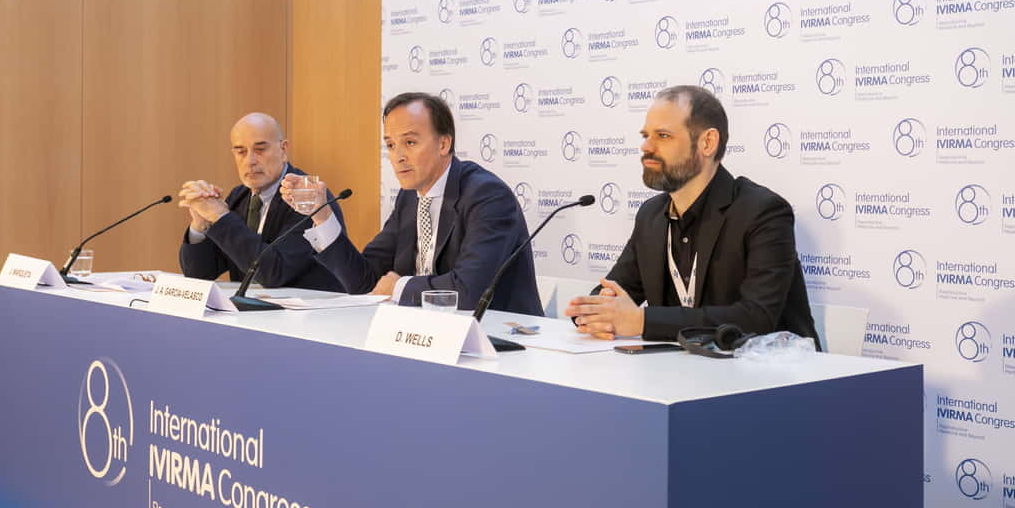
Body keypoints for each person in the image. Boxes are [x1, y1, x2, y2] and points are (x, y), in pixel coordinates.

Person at [565, 85, 820, 347]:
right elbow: (613, 290)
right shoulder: (651, 215)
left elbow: (756, 317)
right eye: (645, 135)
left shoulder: (763, 212)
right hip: (682, 366)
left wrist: (642, 321)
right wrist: (595, 312)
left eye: (663, 136)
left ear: (707, 143)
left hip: (771, 367)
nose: (646, 146)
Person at [282, 92, 542, 315]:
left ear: (443, 144)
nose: (398, 157)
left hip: (501, 340)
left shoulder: (487, 196)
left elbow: (468, 292)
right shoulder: (409, 198)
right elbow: (365, 282)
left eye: (410, 142)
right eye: (390, 145)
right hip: (427, 334)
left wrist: (399, 287)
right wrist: (322, 216)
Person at [178, 112, 345, 291]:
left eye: (260, 150)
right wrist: (201, 225)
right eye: (241, 151)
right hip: (251, 307)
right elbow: (199, 273)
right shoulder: (239, 196)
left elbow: (274, 273)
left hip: (311, 307)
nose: (249, 161)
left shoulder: (308, 197)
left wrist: (221, 216)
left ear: (283, 150)